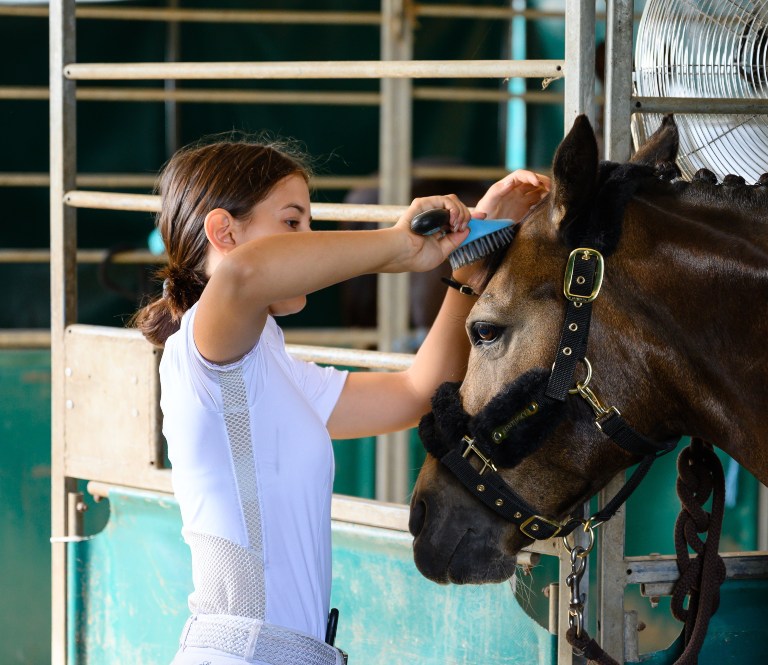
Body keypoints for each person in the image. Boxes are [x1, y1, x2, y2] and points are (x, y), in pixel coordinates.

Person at [130, 135, 550, 665]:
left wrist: (466, 264)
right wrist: (401, 244)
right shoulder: (203, 348)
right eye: (292, 222)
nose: (308, 238)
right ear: (224, 232)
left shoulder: (267, 362)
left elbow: (414, 393)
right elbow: (244, 274)